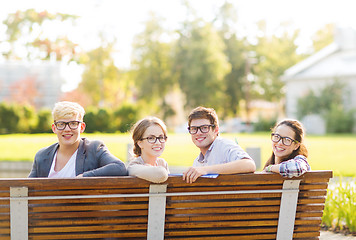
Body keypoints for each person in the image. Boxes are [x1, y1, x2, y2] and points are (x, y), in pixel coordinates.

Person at [28, 101, 127, 178]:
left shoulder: (94, 149)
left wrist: (84, 177)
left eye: (73, 123)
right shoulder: (42, 156)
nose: (67, 129)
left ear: (82, 127)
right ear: (54, 128)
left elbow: (119, 167)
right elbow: (26, 188)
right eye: (61, 124)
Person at [183, 106, 256, 183]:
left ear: (216, 130)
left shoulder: (224, 146)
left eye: (204, 128)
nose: (198, 133)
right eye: (194, 129)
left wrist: (205, 170)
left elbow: (249, 164)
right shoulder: (197, 162)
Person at [127, 116, 169, 183]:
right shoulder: (133, 166)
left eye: (161, 137)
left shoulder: (162, 163)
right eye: (151, 138)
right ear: (140, 143)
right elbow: (161, 174)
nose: (158, 143)